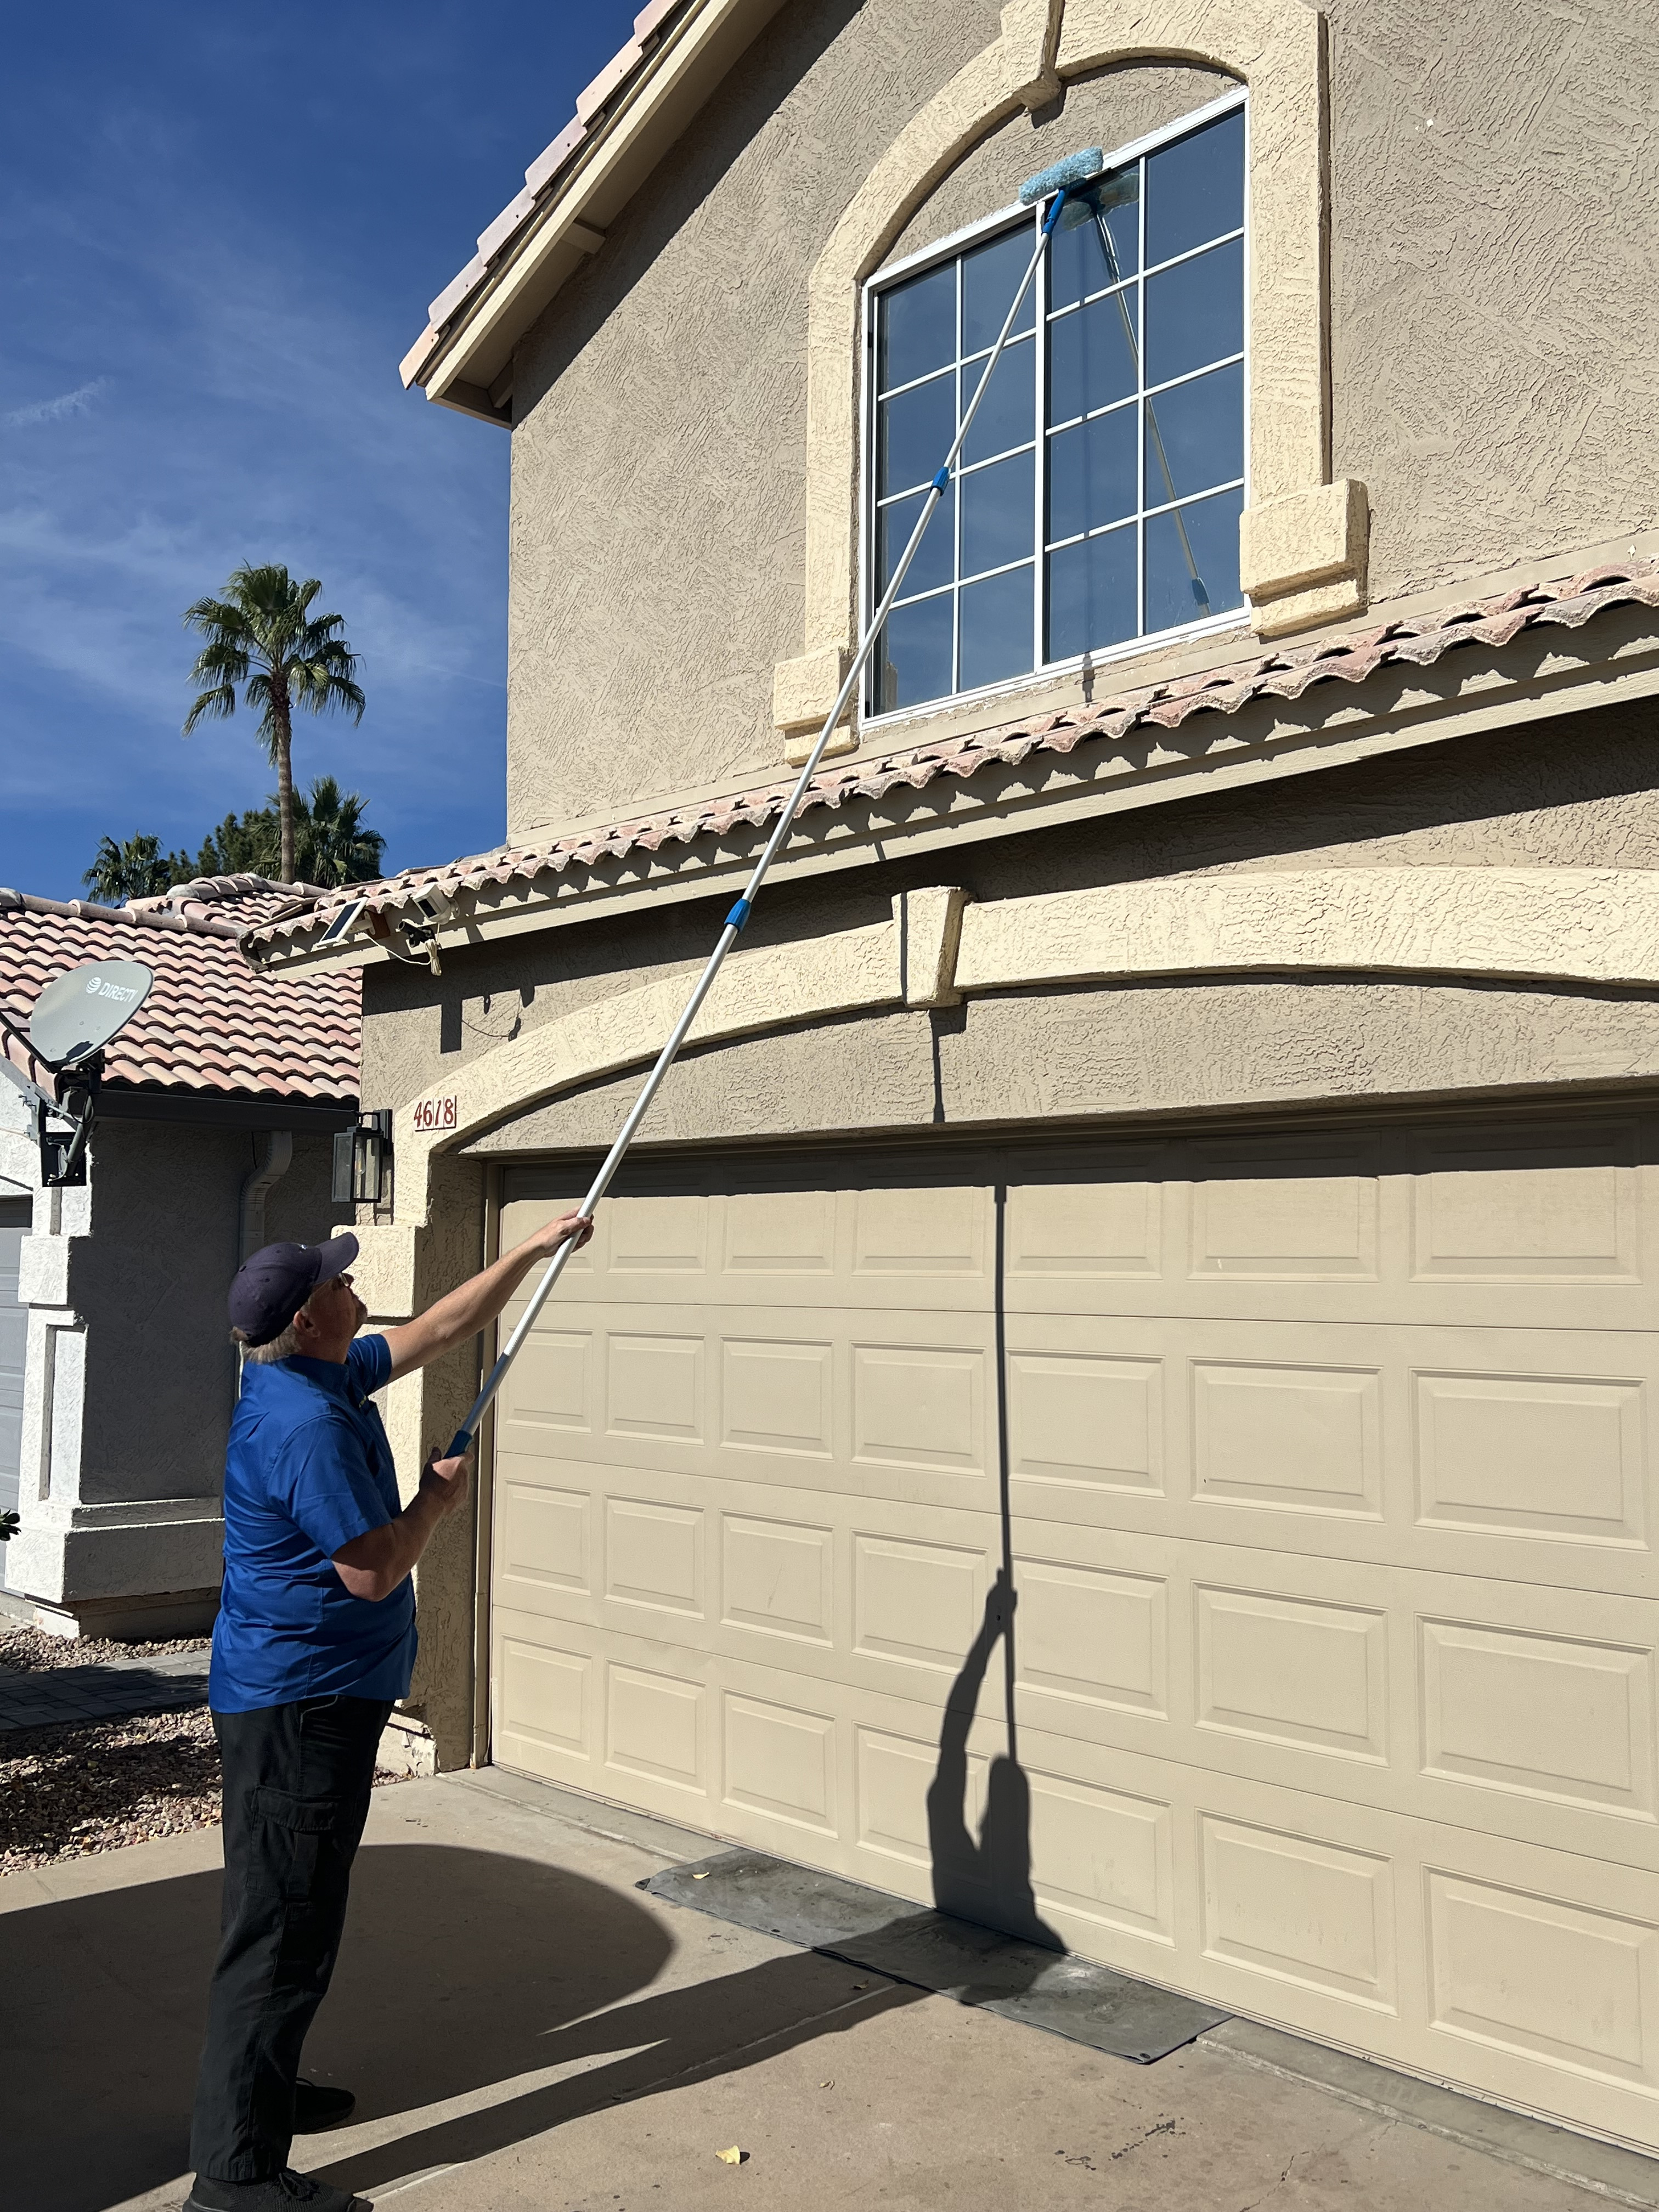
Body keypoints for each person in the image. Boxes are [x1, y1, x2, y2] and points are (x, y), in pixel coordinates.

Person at [184, 1211, 592, 2212]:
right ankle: (234, 2176)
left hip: (299, 1697)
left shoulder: (311, 1375)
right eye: (339, 1280)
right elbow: (370, 1571)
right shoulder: (307, 1426)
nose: (354, 1284)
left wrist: (530, 1253)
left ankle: (259, 2095)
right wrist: (438, 1502)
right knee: (281, 1931)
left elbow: (441, 1329)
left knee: (288, 1916)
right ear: (312, 1316)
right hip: (301, 1705)